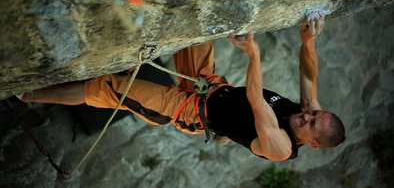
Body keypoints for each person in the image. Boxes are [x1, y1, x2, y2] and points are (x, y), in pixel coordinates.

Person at [18, 11, 345, 161]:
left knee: (108, 87)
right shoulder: (308, 114)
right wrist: (308, 40)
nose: (307, 115)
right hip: (212, 86)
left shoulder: (282, 148)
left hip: (191, 111)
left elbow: (260, 107)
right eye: (314, 114)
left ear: (312, 144)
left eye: (311, 123)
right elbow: (309, 79)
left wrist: (254, 56)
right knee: (197, 25)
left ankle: (25, 92)